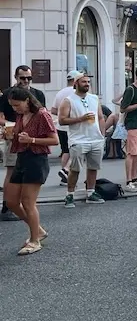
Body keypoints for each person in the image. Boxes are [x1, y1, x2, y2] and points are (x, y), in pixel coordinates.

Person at [3, 88, 58, 255]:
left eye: (17, 105)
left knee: (28, 202)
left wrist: (31, 140)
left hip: (36, 159)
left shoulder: (42, 114)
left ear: (27, 100)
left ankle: (35, 241)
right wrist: (10, 135)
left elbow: (54, 140)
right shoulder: (21, 115)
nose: (15, 109)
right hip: (22, 158)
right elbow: (21, 135)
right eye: (12, 106)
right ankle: (38, 230)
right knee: (11, 202)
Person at [59, 74, 106, 208]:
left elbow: (101, 117)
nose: (86, 84)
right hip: (78, 139)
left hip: (95, 138)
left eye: (88, 81)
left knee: (93, 167)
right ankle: (70, 194)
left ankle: (91, 192)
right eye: (83, 81)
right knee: (75, 169)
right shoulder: (68, 100)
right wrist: (80, 119)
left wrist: (102, 134)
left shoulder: (94, 98)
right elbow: (62, 120)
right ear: (76, 83)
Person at [51, 72, 81, 185]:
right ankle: (66, 171)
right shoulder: (77, 92)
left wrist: (61, 112)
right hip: (73, 126)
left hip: (60, 126)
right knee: (77, 151)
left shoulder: (60, 93)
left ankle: (64, 176)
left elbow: (53, 110)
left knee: (65, 151)